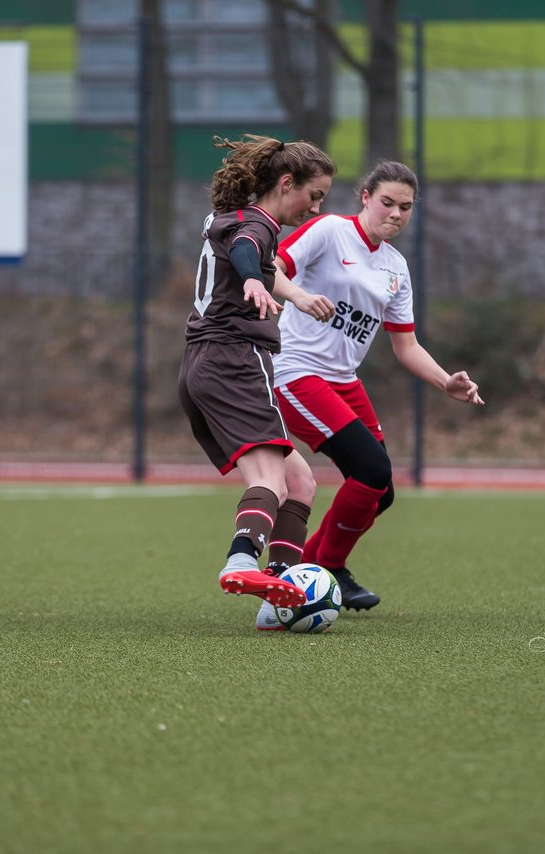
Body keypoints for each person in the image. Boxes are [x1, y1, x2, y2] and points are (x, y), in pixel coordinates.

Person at [255, 160, 484, 627]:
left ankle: (307, 571)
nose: (396, 214)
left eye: (405, 208)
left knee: (381, 494)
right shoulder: (329, 231)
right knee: (372, 469)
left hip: (344, 380)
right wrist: (297, 296)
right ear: (364, 197)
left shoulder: (396, 268)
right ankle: (328, 570)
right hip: (297, 374)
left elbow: (407, 345)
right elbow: (269, 267)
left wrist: (446, 382)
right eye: (387, 203)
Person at [178, 134, 338, 614]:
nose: (314, 209)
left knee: (302, 482)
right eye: (315, 196)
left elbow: (248, 250)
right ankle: (242, 561)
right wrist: (252, 276)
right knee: (270, 476)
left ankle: (282, 597)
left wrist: (284, 290)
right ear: (287, 183)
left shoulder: (231, 217)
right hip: (234, 360)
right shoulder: (257, 227)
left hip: (203, 364)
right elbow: (249, 250)